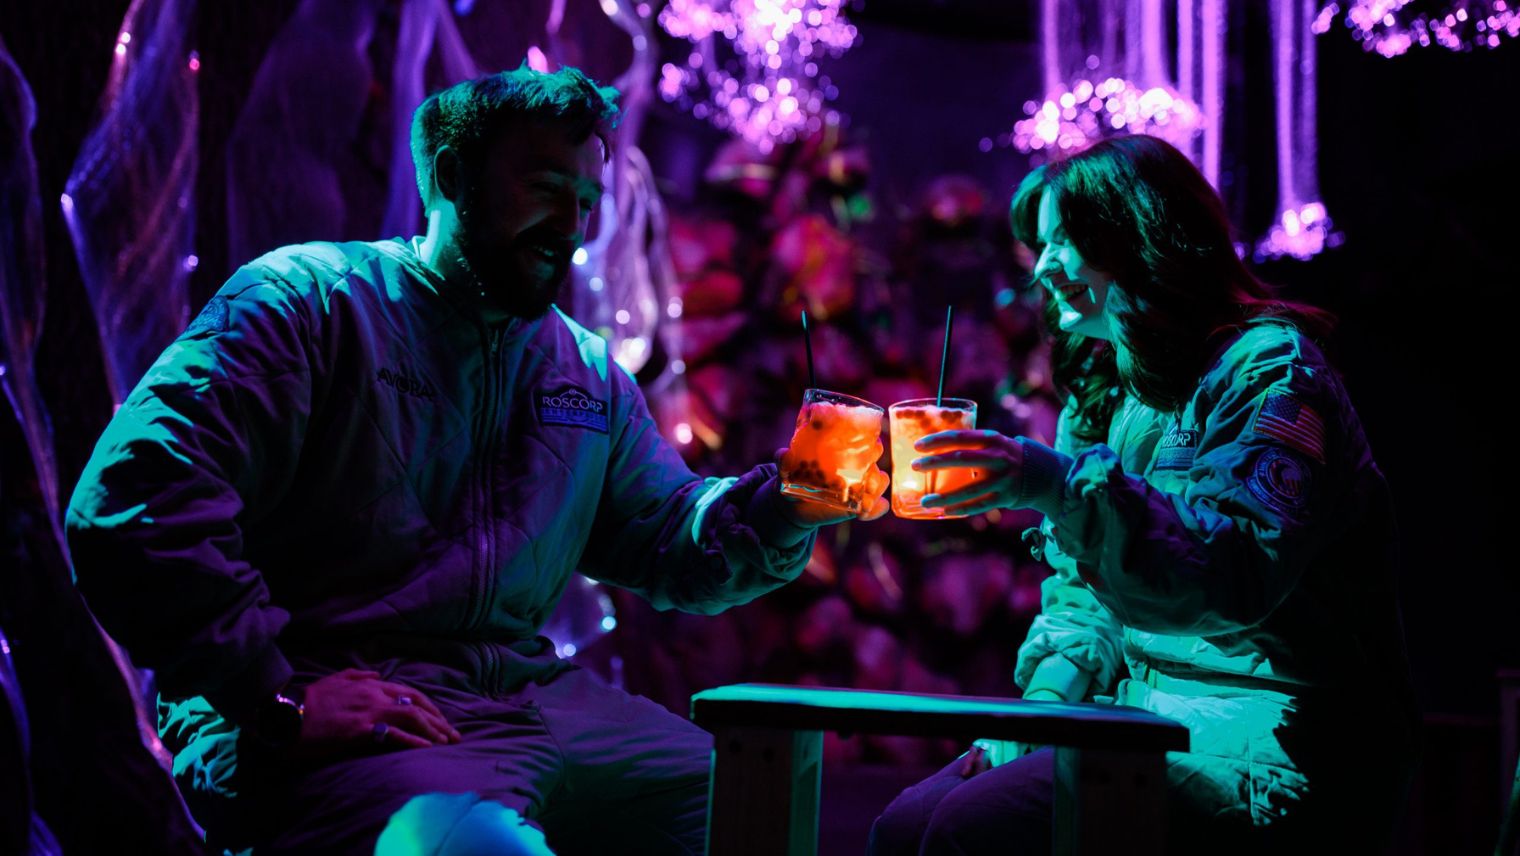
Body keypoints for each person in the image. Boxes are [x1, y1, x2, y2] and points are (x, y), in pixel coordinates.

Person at [65, 64, 887, 855]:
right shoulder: (307, 304)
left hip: (524, 699)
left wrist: (786, 505)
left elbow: (668, 535)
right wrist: (274, 694)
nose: (572, 228)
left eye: (585, 200)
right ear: (452, 176)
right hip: (331, 702)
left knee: (752, 808)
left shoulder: (584, 369)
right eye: (544, 190)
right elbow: (135, 503)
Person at [868, 135, 1416, 855]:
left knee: (972, 833)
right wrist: (1037, 718)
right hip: (1143, 719)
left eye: (1065, 240)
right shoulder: (1105, 394)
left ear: (1141, 237)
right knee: (903, 827)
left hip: (1280, 745)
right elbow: (1085, 597)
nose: (1043, 267)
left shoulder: (1272, 373)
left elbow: (1231, 572)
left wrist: (1058, 486)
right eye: (1040, 244)